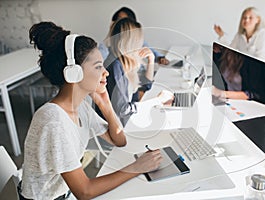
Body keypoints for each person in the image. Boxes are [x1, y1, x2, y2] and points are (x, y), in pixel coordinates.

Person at [19, 21, 163, 200]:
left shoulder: (81, 107)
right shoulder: (53, 121)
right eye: (97, 67)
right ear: (74, 73)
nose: (106, 73)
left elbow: (119, 140)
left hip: (64, 194)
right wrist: (136, 168)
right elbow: (84, 191)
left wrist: (106, 104)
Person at [96, 18, 173, 126]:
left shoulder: (126, 62)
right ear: (130, 43)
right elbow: (123, 110)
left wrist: (150, 59)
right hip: (119, 128)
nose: (141, 45)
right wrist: (157, 101)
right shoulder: (115, 66)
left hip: (127, 121)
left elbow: (145, 86)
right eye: (139, 41)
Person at [100, 6, 169, 65]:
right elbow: (100, 62)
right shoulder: (106, 45)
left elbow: (150, 50)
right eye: (119, 20)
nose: (121, 24)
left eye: (126, 21)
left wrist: (160, 58)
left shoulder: (136, 41)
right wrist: (110, 36)